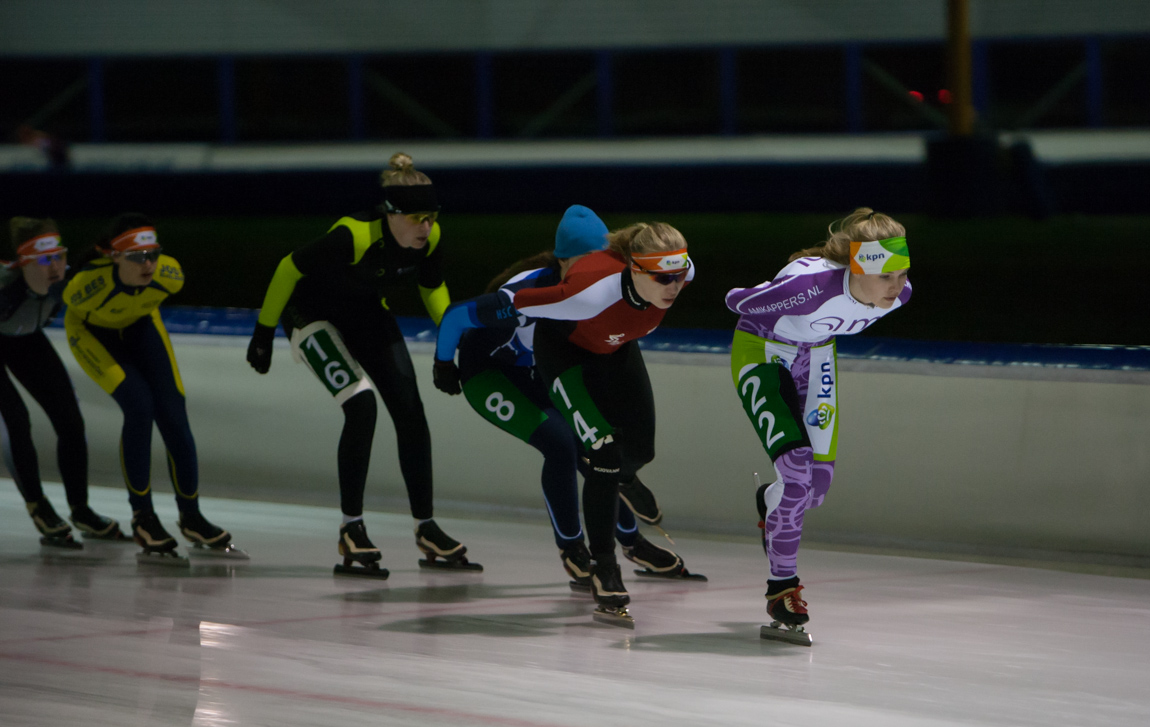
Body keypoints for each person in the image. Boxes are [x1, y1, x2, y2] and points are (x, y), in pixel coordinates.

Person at [432, 206, 698, 592]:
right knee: (560, 446)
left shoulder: (613, 282)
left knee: (596, 449)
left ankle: (632, 541)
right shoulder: (537, 292)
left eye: (607, 261)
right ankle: (574, 548)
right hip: (492, 373)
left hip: (540, 370)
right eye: (585, 263)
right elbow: (457, 316)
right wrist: (443, 365)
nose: (595, 269)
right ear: (562, 263)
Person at [246, 152, 474, 578]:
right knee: (362, 404)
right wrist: (263, 333)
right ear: (392, 214)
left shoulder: (432, 238)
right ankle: (352, 528)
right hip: (311, 315)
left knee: (410, 409)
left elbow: (432, 288)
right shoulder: (354, 235)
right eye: (418, 217)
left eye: (432, 216)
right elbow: (288, 268)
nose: (427, 227)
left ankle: (426, 527)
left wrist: (451, 343)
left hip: (367, 313)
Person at [725, 208, 912, 644]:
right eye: (887, 276)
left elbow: (849, 312)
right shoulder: (807, 288)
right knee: (795, 472)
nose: (898, 287)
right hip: (763, 351)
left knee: (815, 487)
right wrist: (776, 293)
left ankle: (769, 502)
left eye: (903, 274)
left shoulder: (900, 297)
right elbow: (737, 301)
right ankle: (781, 590)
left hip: (816, 356)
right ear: (858, 268)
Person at [62, 214, 238, 561]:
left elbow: (146, 299)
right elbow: (72, 315)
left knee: (174, 415)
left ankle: (191, 516)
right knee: (139, 408)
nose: (149, 265)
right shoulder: (84, 288)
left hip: (142, 327)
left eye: (153, 254)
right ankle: (143, 517)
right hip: (93, 334)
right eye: (138, 257)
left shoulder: (170, 275)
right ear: (115, 257)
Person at [1, 217, 121, 546]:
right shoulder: (3, 284)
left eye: (59, 256)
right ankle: (37, 505)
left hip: (25, 338)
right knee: (15, 420)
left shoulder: (72, 278)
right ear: (22, 264)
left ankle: (80, 509)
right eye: (43, 260)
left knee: (70, 419)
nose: (54, 268)